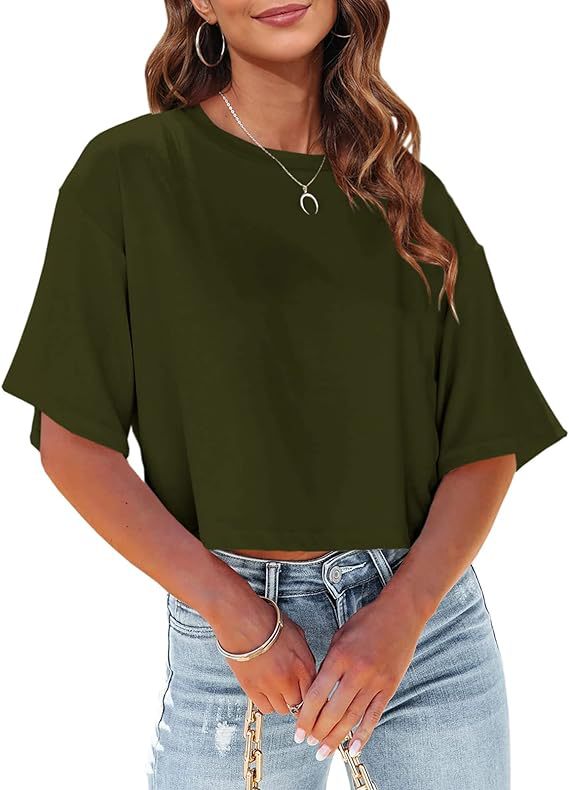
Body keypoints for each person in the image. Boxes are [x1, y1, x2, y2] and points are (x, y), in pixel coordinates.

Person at [2, 1, 566, 788]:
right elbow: (72, 444)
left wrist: (402, 617)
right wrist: (238, 617)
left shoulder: (405, 195)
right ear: (201, 3)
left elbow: (484, 439)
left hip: (426, 640)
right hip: (234, 637)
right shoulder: (129, 173)